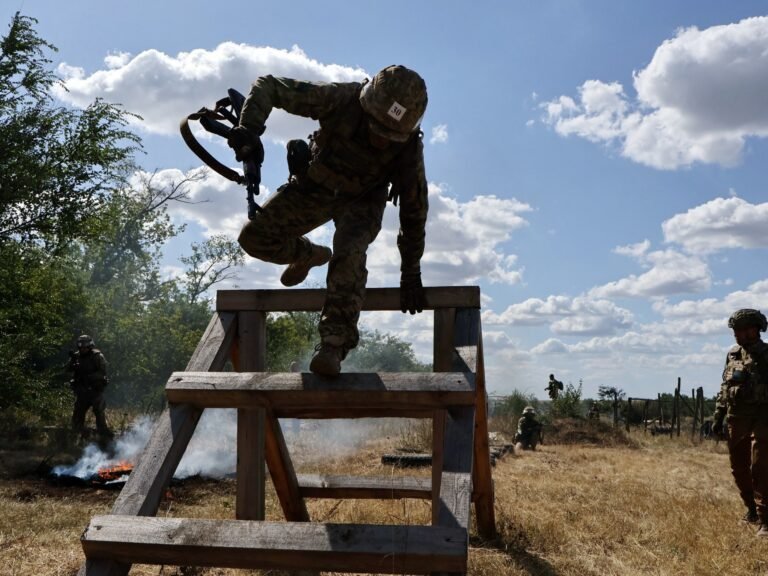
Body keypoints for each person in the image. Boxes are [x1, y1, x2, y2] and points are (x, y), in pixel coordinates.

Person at [227, 65, 429, 377]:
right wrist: (249, 129)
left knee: (350, 254)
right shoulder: (340, 99)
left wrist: (411, 270)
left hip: (363, 200)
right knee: (254, 238)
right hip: (317, 185)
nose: (378, 138)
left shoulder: (408, 150)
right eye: (374, 127)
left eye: (387, 135)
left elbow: (414, 213)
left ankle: (333, 346)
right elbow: (270, 86)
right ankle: (310, 254)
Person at [713, 309, 768, 538]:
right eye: (734, 331)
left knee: (762, 467)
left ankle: (766, 520)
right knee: (739, 467)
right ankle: (751, 510)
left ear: (754, 329)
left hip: (763, 417)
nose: (736, 335)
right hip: (737, 417)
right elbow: (724, 388)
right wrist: (718, 416)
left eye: (741, 330)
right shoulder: (733, 355)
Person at [68, 334, 113, 440]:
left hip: (95, 390)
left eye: (85, 345)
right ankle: (77, 437)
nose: (83, 348)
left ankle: (104, 438)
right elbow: (67, 370)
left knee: (99, 412)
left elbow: (103, 373)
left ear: (90, 346)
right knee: (78, 414)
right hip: (82, 391)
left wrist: (89, 377)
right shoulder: (76, 356)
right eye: (80, 345)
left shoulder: (97, 356)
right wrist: (73, 365)